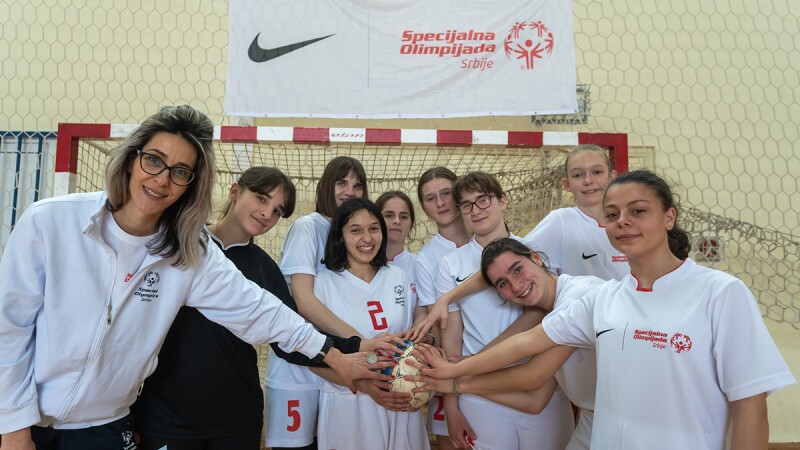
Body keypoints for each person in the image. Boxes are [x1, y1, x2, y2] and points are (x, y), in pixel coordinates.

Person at [0, 106, 386, 450]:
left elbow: (263, 311)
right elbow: (9, 328)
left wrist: (339, 355)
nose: (162, 179)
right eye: (154, 160)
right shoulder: (49, 221)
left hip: (104, 426)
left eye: (180, 171)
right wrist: (14, 425)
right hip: (24, 421)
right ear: (132, 159)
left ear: (191, 185)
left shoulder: (191, 253)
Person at [415, 170, 797, 449]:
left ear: (669, 217)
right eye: (612, 215)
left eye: (638, 211)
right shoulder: (604, 300)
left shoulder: (722, 292)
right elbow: (524, 345)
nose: (623, 222)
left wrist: (454, 378)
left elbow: (750, 407)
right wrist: (452, 372)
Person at [132, 167, 371, 450]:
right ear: (235, 192)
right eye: (261, 198)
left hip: (237, 420)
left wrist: (356, 349)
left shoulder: (264, 269)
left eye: (277, 210)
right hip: (167, 417)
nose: (267, 213)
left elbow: (291, 338)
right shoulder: (180, 245)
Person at [409, 238, 603, 450]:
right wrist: (457, 385)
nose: (516, 285)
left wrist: (455, 377)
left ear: (536, 258)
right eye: (502, 284)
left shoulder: (575, 297)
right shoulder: (550, 312)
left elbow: (532, 373)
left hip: (622, 419)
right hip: (592, 420)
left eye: (518, 270)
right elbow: (535, 400)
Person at [265, 157, 402, 450]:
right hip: (299, 367)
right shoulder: (307, 227)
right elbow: (303, 300)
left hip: (334, 366)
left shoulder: (356, 237)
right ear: (327, 185)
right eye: (342, 183)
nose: (350, 191)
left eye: (358, 185)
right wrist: (361, 343)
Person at [436, 172, 574, 450]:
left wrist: (474, 363)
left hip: (539, 385)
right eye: (467, 204)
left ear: (503, 200)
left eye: (483, 200)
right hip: (479, 392)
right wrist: (451, 408)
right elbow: (451, 340)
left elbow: (543, 313)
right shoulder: (450, 264)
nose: (476, 210)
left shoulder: (536, 250)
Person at [310, 198, 429, 450]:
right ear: (340, 236)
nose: (367, 238)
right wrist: (364, 384)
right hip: (349, 402)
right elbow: (312, 361)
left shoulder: (397, 276)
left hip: (399, 401)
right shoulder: (323, 283)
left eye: (374, 228)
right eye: (355, 230)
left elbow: (410, 340)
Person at [411, 167, 471, 450]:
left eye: (446, 193)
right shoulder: (426, 259)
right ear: (424, 207)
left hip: (504, 361)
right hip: (456, 369)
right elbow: (439, 322)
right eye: (431, 198)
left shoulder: (489, 237)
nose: (441, 203)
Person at [523, 144, 628, 280]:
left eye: (597, 172)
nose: (588, 181)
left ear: (612, 177)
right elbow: (516, 257)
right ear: (567, 185)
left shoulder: (631, 222)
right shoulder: (560, 221)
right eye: (578, 175)